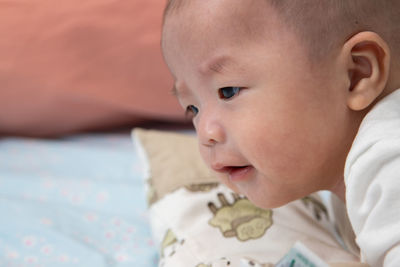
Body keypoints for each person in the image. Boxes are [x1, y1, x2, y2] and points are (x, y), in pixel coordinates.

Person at [160, 0, 400, 266]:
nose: (205, 133)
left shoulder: (389, 159)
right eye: (192, 109)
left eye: (228, 91)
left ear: (355, 74)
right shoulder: (344, 173)